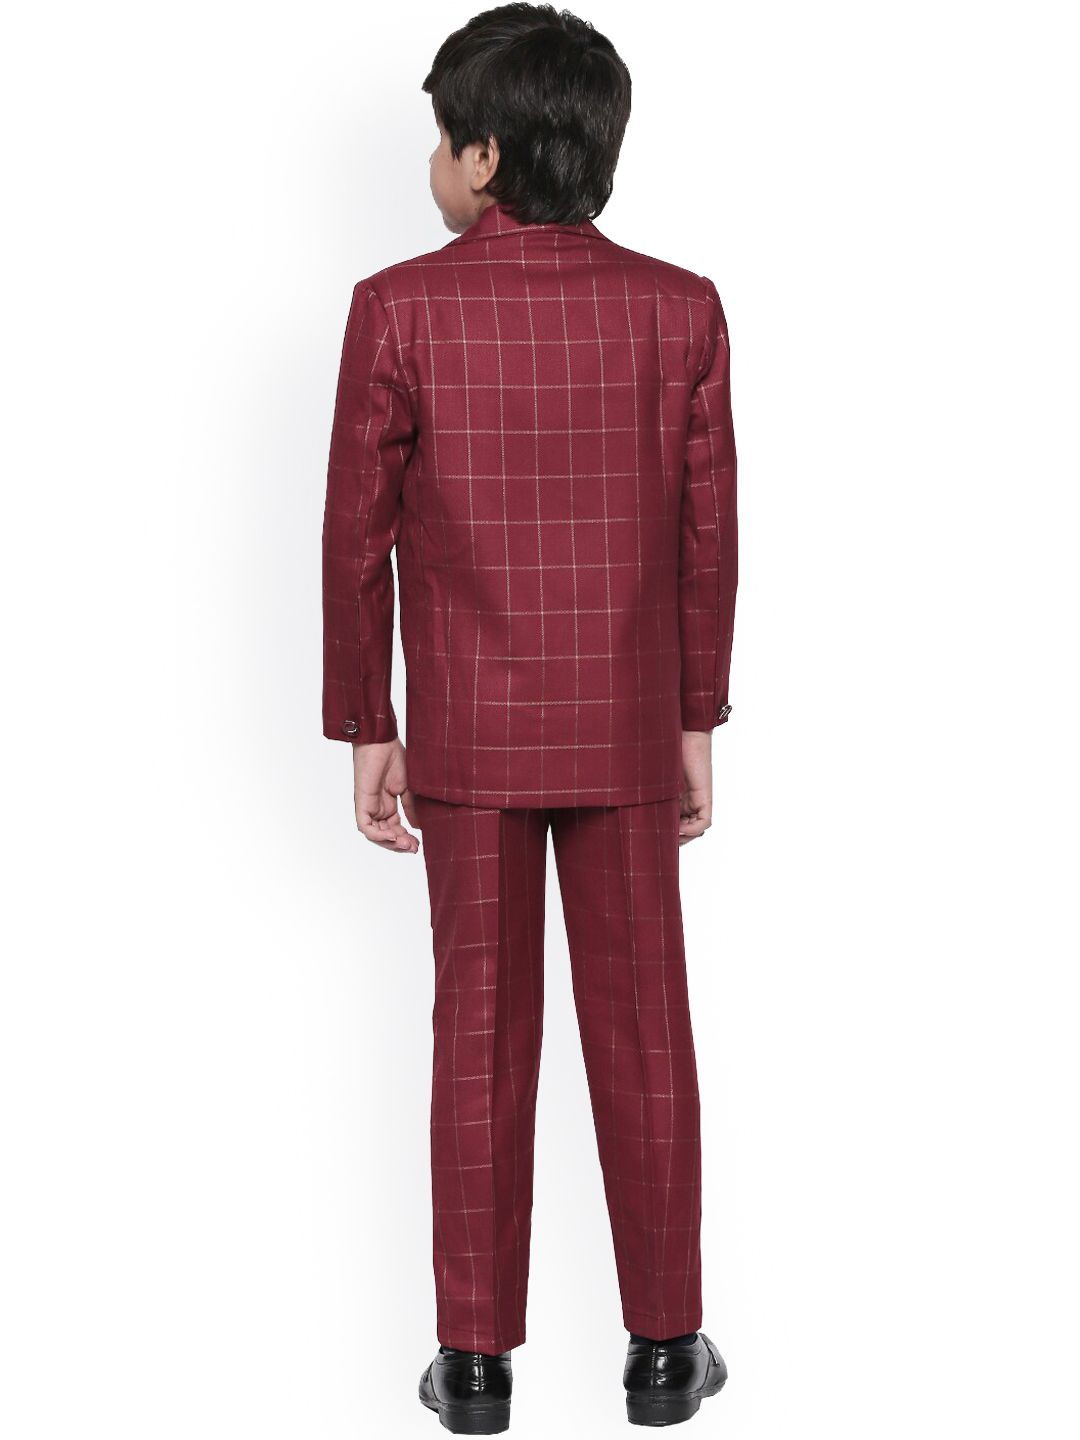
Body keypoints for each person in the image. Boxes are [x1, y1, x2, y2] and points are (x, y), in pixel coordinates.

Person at [321, 4, 736, 1429]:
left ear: (487, 155)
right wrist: (695, 716)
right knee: (646, 1028)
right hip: (625, 728)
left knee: (478, 1038)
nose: (433, 164)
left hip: (469, 736)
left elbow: (355, 535)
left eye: (442, 138)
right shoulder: (680, 309)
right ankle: (667, 1349)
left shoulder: (400, 307)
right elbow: (708, 537)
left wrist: (369, 719)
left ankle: (476, 1364)